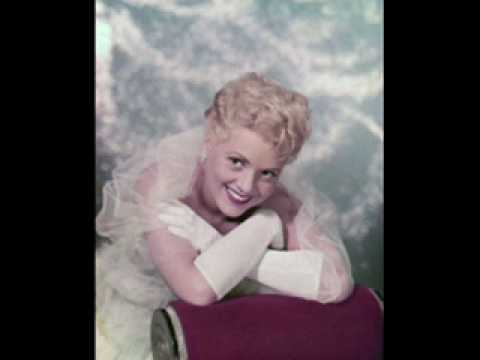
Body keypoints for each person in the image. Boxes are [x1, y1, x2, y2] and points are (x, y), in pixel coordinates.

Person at [95, 72, 354, 360]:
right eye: (236, 162)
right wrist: (260, 239)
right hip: (140, 322)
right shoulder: (164, 184)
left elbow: (336, 284)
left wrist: (256, 225)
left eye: (267, 173)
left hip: (226, 331)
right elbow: (196, 289)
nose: (246, 186)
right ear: (208, 143)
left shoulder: (279, 201)